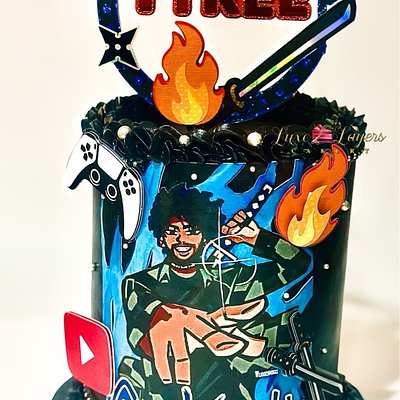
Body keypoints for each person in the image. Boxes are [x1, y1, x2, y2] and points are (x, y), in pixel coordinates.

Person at [119, 185, 311, 399]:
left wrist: (256, 238)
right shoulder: (140, 284)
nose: (182, 239)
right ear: (161, 237)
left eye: (192, 231)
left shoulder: (232, 281)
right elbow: (141, 340)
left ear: (205, 236)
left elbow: (297, 264)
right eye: (173, 231)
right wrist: (178, 323)